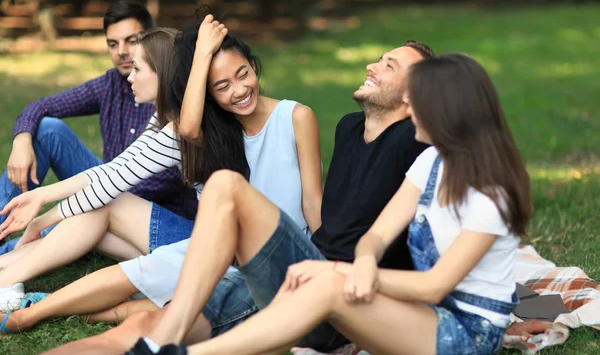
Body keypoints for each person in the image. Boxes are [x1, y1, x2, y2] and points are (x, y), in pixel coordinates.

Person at [39, 38, 434, 354]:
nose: (372, 65)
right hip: (287, 266)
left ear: (413, 98)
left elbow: (450, 202)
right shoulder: (349, 128)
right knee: (140, 324)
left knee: (223, 190)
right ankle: (29, 318)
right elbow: (327, 216)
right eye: (221, 86)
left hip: (329, 288)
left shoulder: (418, 146)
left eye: (389, 66)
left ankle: (168, 339)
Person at [139, 52, 532, 355]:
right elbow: (376, 236)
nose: (408, 105)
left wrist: (348, 276)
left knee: (327, 282)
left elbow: (434, 285)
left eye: (418, 98)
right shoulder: (432, 161)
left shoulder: (489, 193)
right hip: (423, 312)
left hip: (467, 333)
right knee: (324, 275)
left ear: (447, 109)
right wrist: (360, 262)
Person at [0, 16, 322, 339]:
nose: (129, 76)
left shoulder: (263, 120)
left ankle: (17, 280)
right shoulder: (209, 125)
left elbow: (312, 203)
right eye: (222, 86)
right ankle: (15, 280)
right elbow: (115, 170)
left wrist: (327, 266)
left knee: (112, 216)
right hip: (213, 240)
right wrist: (43, 202)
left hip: (235, 244)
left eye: (139, 68)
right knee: (114, 225)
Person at [0, 0, 198, 255]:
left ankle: (12, 253)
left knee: (97, 204)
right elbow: (43, 106)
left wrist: (58, 212)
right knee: (48, 130)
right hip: (109, 179)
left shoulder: (175, 115)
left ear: (152, 41)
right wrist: (22, 139)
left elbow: (126, 185)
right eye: (113, 44)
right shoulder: (110, 84)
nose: (122, 52)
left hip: (150, 209)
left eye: (132, 40)